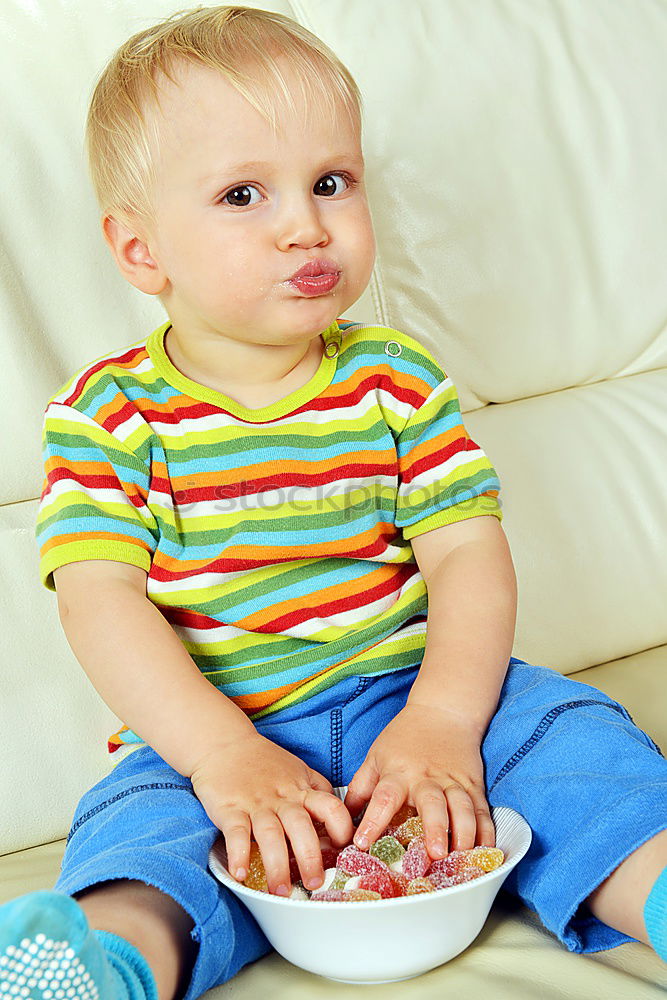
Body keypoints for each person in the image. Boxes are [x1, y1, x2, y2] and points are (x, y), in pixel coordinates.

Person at [2, 5, 665, 1000]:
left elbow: (465, 553)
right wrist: (221, 753)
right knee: (145, 836)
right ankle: (104, 963)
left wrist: (444, 715)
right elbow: (98, 599)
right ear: (141, 251)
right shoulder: (106, 415)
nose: (306, 224)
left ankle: (652, 890)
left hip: (415, 693)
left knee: (576, 748)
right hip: (211, 729)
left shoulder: (393, 380)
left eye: (329, 182)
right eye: (241, 194)